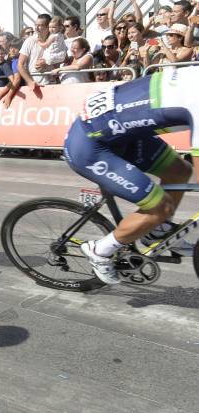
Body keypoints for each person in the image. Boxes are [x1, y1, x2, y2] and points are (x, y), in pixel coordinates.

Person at [63, 65, 199, 284]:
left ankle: (155, 230)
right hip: (91, 145)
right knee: (160, 206)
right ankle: (99, 251)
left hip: (119, 131)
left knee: (180, 171)